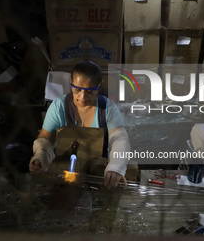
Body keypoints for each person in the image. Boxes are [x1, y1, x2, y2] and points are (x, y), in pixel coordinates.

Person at [29, 60, 130, 189]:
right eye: (77, 89)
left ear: (100, 86)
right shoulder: (59, 106)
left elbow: (120, 139)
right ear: (70, 81)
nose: (82, 97)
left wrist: (116, 166)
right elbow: (45, 139)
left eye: (90, 91)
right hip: (61, 175)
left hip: (97, 176)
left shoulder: (108, 108)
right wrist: (41, 156)